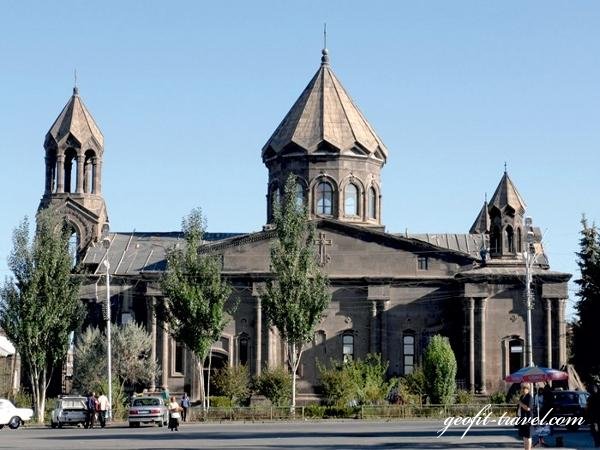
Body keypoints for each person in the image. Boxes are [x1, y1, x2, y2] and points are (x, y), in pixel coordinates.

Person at [517, 383, 533, 450]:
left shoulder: (529, 397)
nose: (522, 390)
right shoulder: (521, 397)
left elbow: (528, 408)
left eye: (523, 388)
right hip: (522, 418)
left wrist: (520, 403)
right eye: (522, 388)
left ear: (527, 389)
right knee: (524, 436)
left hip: (528, 419)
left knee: (528, 436)